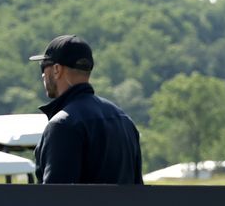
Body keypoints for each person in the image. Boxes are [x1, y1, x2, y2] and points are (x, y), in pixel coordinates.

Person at [29, 35, 143, 184]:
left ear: (57, 69)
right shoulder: (125, 121)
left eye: (44, 66)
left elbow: (55, 200)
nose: (43, 74)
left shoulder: (62, 125)